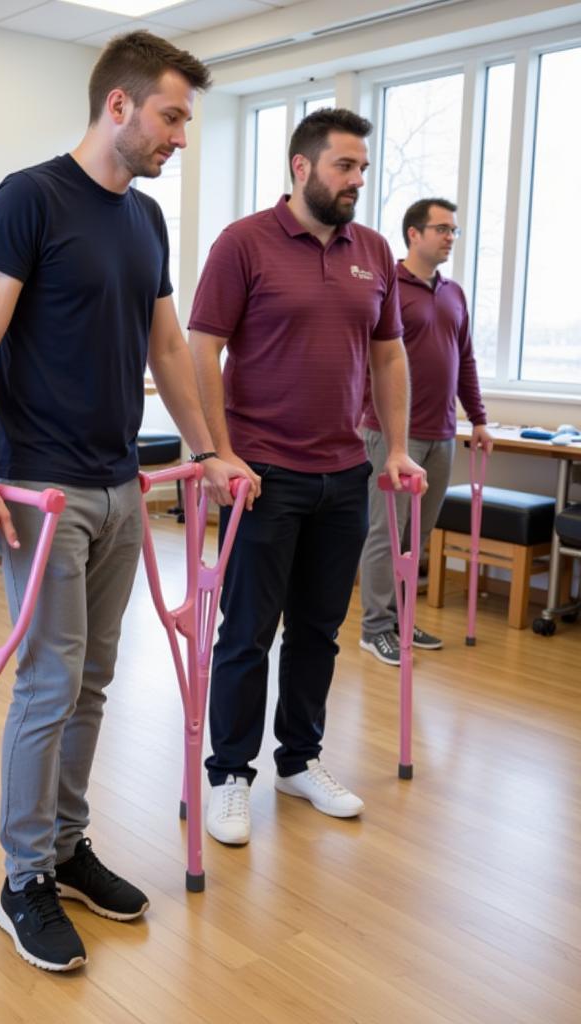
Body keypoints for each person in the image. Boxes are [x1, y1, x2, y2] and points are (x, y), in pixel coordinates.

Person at [0, 31, 245, 972]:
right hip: (41, 487)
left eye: (185, 121)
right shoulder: (27, 199)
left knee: (93, 681)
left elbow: (167, 348)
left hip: (120, 489)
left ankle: (66, 846)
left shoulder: (145, 220)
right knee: (48, 681)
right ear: (117, 106)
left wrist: (207, 451)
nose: (180, 137)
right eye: (171, 116)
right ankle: (22, 878)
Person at [188, 108, 425, 846]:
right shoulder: (244, 244)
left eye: (362, 167)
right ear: (302, 167)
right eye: (344, 166)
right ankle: (229, 772)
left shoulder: (375, 250)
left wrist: (394, 448)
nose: (357, 180)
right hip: (262, 474)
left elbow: (388, 354)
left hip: (344, 471)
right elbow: (202, 350)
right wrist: (219, 454)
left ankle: (298, 759)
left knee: (319, 631)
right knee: (248, 633)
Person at [359, 198, 492, 664]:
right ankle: (374, 627)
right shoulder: (387, 284)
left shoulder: (454, 293)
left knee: (418, 534)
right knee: (387, 531)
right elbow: (367, 356)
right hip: (394, 434)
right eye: (441, 228)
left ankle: (401, 617)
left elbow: (466, 361)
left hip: (441, 434)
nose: (450, 237)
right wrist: (362, 417)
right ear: (413, 234)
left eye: (453, 229)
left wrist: (477, 418)